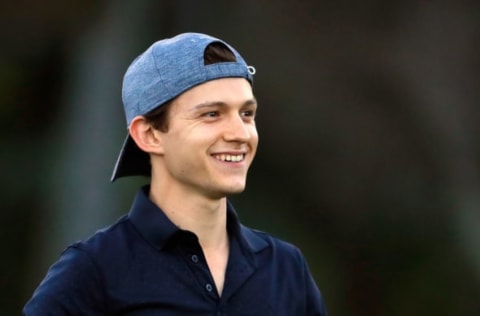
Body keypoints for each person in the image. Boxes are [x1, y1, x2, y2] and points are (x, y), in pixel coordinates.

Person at [23, 32, 328, 315]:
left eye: (246, 113)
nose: (240, 133)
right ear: (149, 135)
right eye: (212, 114)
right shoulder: (94, 269)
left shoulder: (285, 268)